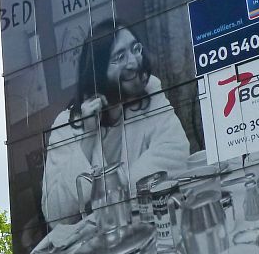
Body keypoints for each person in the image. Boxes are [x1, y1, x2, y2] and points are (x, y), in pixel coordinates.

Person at [41, 20, 190, 224]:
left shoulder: (150, 91)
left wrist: (112, 195)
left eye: (135, 49)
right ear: (98, 71)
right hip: (100, 247)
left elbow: (177, 152)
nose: (134, 62)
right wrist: (87, 137)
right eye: (120, 57)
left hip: (153, 226)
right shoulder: (66, 125)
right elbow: (55, 215)